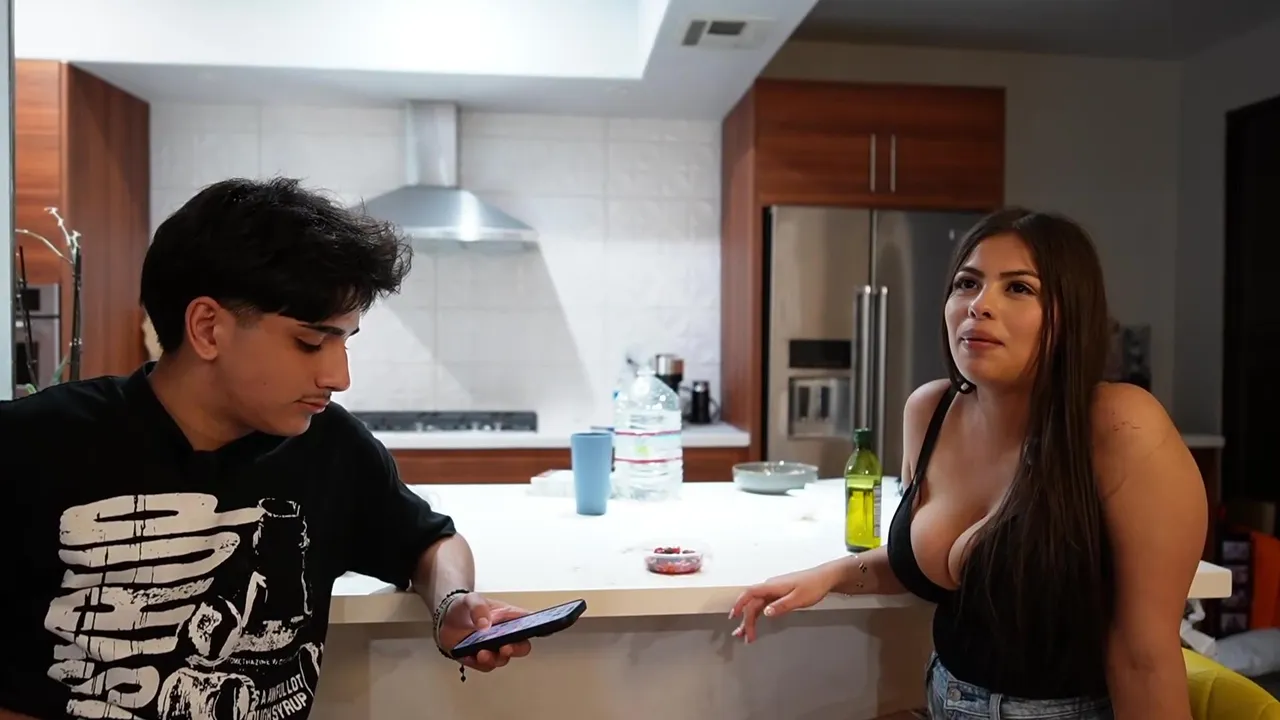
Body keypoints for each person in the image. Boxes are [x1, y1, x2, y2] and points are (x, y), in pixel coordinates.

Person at [0, 177, 532, 720]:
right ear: (208, 328)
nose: (339, 376)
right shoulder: (33, 445)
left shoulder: (331, 449)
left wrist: (450, 604)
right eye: (311, 342)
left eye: (344, 342)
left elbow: (430, 542)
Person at [730, 208, 1206, 719]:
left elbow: (1144, 660)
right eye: (967, 283)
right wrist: (829, 576)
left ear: (1070, 314)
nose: (979, 305)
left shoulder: (1119, 424)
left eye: (1018, 288)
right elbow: (940, 560)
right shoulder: (930, 410)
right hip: (943, 699)